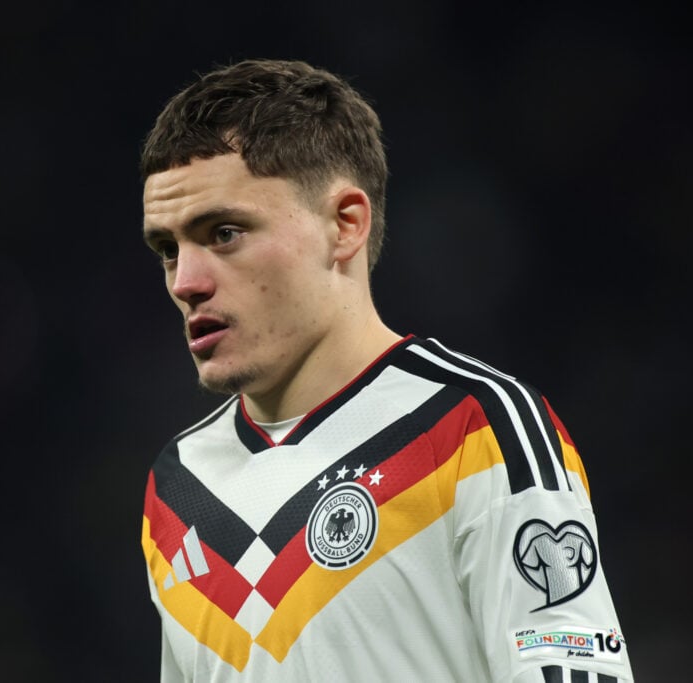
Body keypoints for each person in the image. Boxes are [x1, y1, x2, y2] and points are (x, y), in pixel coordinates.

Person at [138, 58, 634, 682]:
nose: (185, 282)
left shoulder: (478, 430)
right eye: (168, 249)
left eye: (225, 232)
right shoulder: (178, 486)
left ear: (344, 225)